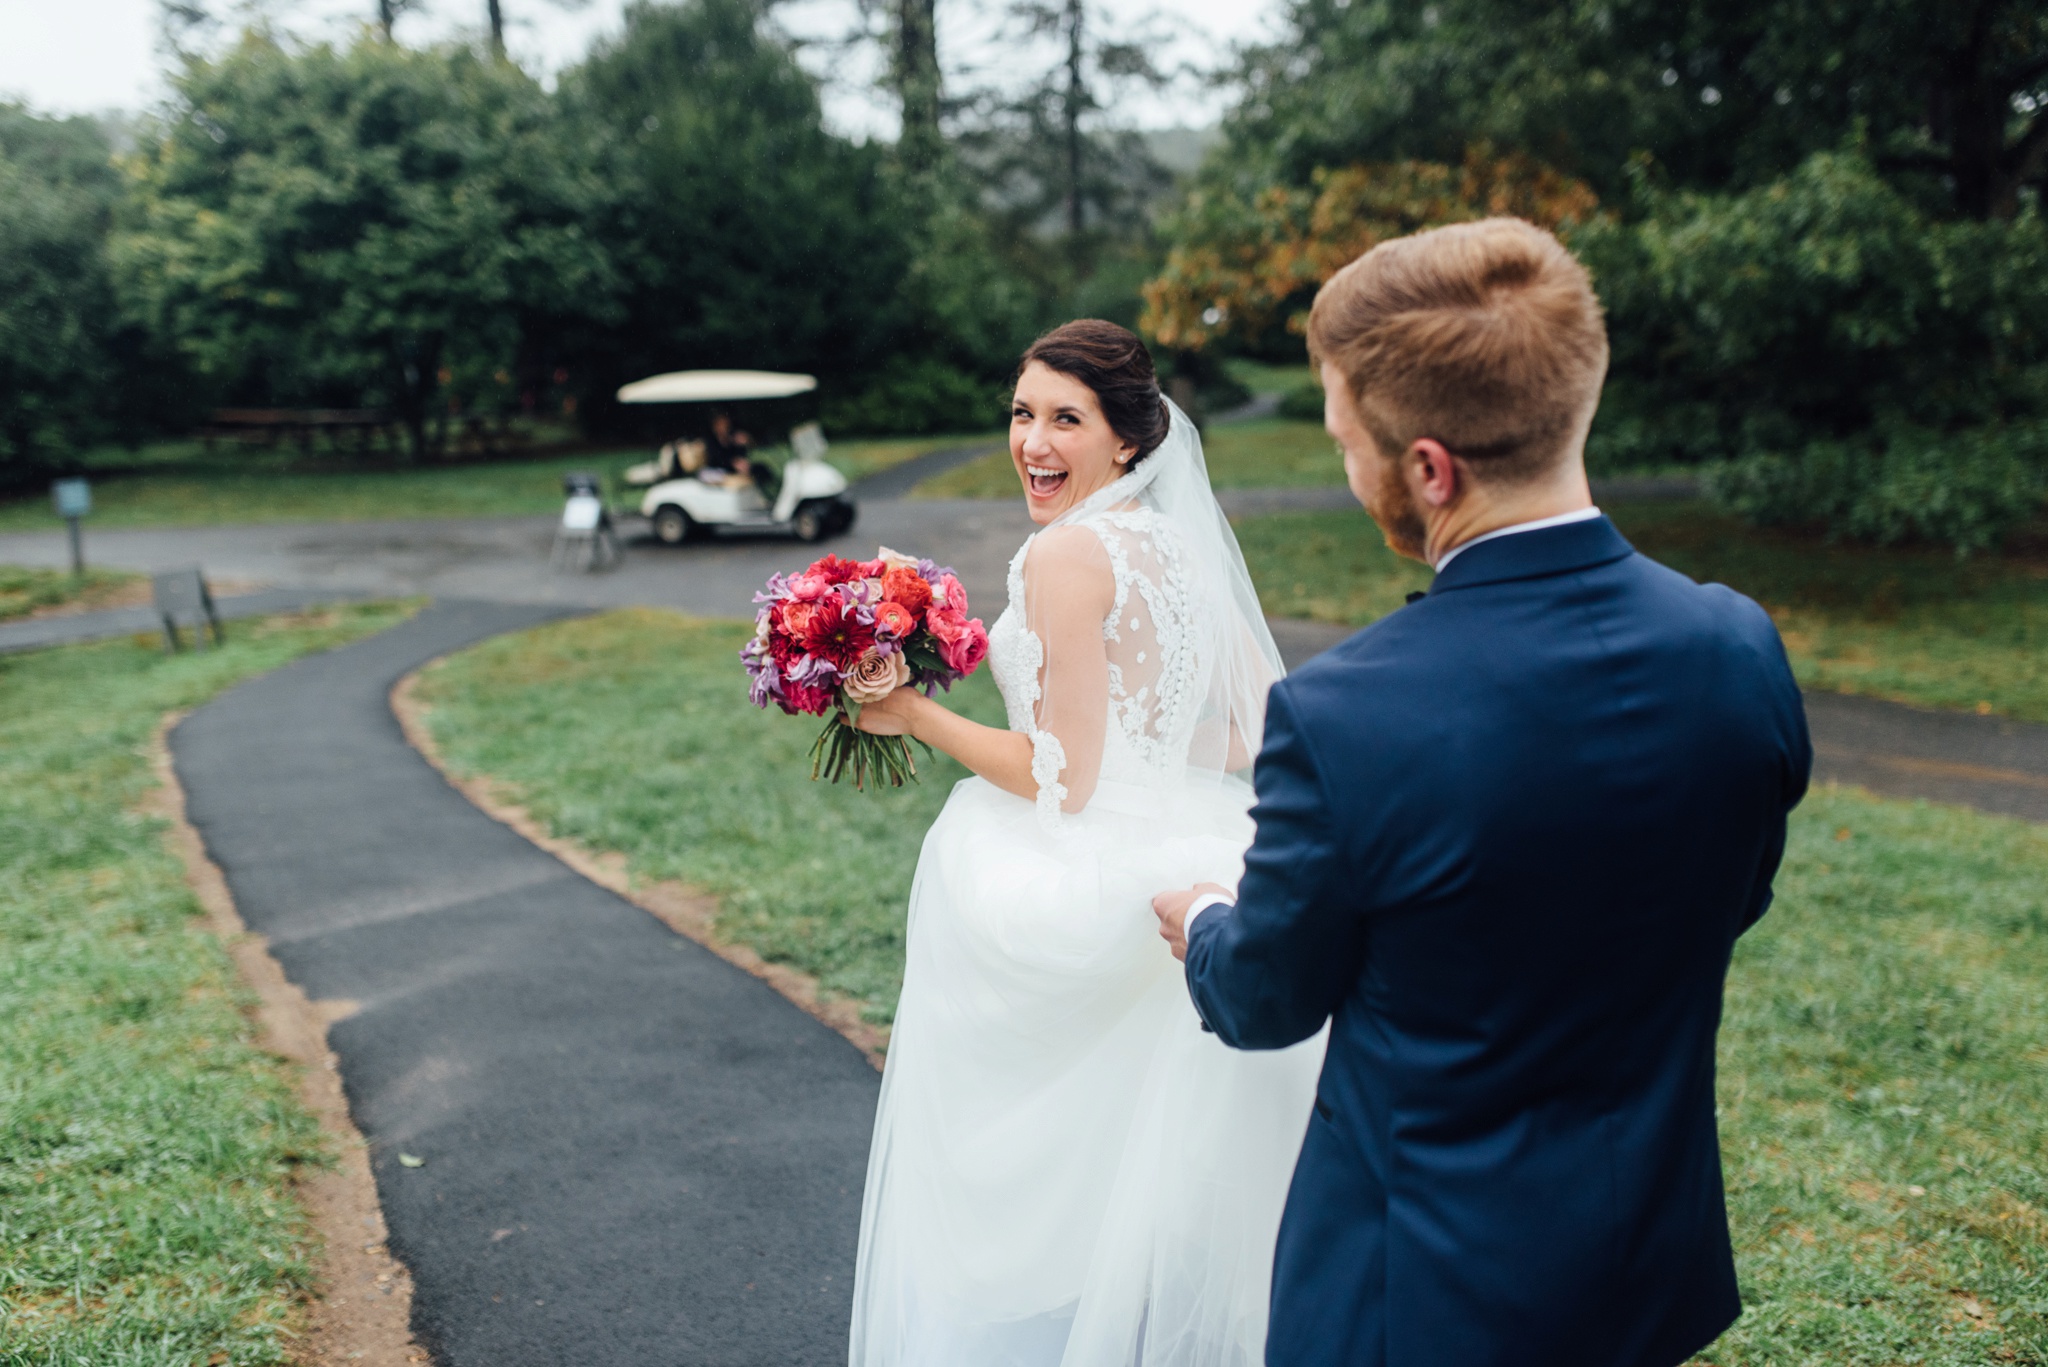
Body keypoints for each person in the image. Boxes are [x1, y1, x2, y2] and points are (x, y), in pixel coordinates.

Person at [1152, 218, 1813, 1367]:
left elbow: (1263, 1000)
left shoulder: (1347, 714)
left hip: (1418, 1298)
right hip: (1641, 1267)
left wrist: (1206, 917)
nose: (1344, 468)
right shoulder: (1735, 646)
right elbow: (1728, 896)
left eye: (1342, 438)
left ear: (1426, 467)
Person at [848, 320, 1325, 1366]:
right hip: (1192, 845)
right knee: (1157, 1195)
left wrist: (912, 713)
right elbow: (1255, 722)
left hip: (1077, 880)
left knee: (1038, 1190)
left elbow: (1060, 778)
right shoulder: (1179, 541)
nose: (1033, 440)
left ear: (1126, 440)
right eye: (1023, 413)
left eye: (1067, 418)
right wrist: (1151, 743)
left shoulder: (1066, 550)